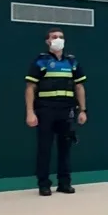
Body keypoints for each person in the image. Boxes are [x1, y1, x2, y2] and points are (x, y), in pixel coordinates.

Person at [24, 28, 88, 196]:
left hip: (67, 109)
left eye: (61, 37)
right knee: (44, 147)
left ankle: (64, 183)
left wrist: (83, 110)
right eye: (54, 37)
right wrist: (30, 112)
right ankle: (44, 184)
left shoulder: (72, 62)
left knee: (65, 147)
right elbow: (30, 87)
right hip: (45, 109)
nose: (58, 39)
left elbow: (79, 86)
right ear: (48, 41)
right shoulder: (41, 61)